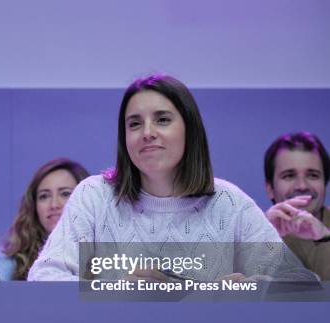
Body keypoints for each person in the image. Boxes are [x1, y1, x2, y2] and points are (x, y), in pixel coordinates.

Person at [28, 74, 317, 282]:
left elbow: (302, 285)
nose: (147, 132)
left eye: (162, 119)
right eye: (134, 123)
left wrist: (250, 290)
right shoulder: (95, 195)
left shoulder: (229, 203)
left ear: (189, 129)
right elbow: (44, 276)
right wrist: (115, 290)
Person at [0, 158, 90, 280]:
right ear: (34, 206)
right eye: (44, 196)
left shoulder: (107, 251)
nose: (54, 205)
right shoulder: (11, 256)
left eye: (65, 194)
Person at [264, 132, 329, 280]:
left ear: (325, 184)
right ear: (270, 189)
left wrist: (324, 237)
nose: (301, 186)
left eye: (313, 175)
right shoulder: (248, 235)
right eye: (289, 175)